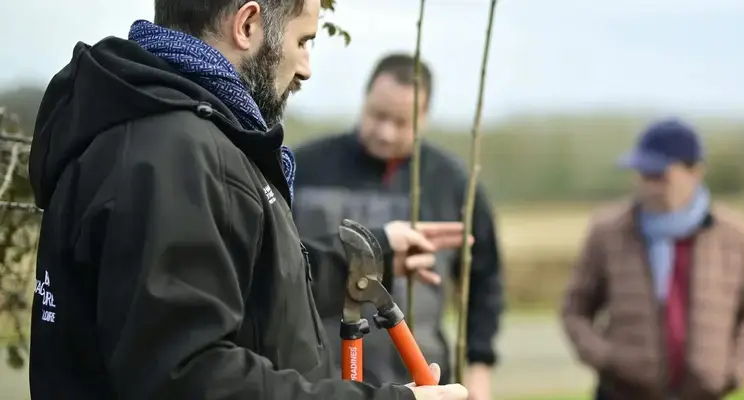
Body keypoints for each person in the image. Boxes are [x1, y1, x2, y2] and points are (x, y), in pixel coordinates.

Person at [26, 1, 469, 399]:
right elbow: (190, 377)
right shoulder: (177, 154)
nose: (306, 68)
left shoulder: (165, 134)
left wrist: (371, 255)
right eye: (303, 40)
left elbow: (247, 289)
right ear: (248, 24)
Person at [292, 53, 504, 399]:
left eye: (401, 122)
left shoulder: (451, 182)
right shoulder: (304, 167)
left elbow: (486, 283)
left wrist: (479, 373)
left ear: (425, 118)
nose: (385, 132)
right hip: (320, 382)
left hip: (423, 378)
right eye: (377, 115)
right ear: (364, 99)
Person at [560, 119, 744, 400]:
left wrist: (735, 371)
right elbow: (574, 310)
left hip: (703, 393)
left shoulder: (732, 234)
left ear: (695, 172)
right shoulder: (608, 231)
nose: (648, 185)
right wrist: (608, 360)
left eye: (659, 175)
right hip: (623, 393)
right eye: (642, 174)